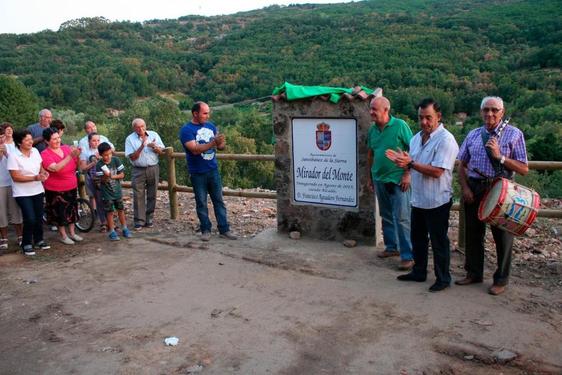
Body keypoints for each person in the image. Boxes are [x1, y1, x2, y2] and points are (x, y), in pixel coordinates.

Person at [456, 96, 528, 296]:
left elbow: (523, 168)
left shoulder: (514, 134)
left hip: (501, 190)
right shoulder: (472, 135)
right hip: (475, 187)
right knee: (473, 234)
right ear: (481, 112)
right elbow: (462, 165)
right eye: (486, 109)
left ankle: (501, 279)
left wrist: (500, 157)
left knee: (502, 237)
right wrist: (465, 188)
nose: (490, 113)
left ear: (502, 112)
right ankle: (474, 273)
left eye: (494, 110)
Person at [387, 98, 459, 292]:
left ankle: (443, 278)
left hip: (437, 200)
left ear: (439, 117)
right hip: (418, 198)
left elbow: (437, 171)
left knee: (438, 241)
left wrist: (410, 164)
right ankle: (419, 272)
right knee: (418, 238)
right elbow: (413, 161)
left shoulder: (446, 140)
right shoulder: (416, 138)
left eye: (429, 118)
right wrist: (405, 165)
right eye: (421, 118)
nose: (424, 122)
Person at [367, 96, 413, 270]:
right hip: (379, 179)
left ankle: (408, 255)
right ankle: (392, 247)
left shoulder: (400, 126)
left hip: (398, 181)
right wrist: (370, 177)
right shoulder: (372, 130)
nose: (371, 112)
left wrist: (407, 174)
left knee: (402, 218)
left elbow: (413, 151)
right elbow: (371, 154)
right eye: (370, 108)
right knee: (386, 216)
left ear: (386, 110)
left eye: (374, 109)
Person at [179, 102, 237, 241]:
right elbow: (194, 149)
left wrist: (221, 142)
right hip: (197, 172)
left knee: (219, 201)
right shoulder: (186, 130)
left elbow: (220, 147)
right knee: (201, 202)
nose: (208, 115)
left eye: (208, 112)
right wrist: (213, 143)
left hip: (213, 170)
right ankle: (206, 229)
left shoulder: (210, 126)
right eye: (205, 113)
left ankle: (224, 229)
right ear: (195, 113)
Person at [7, 130, 50, 256]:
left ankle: (39, 240)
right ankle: (26, 243)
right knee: (29, 218)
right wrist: (34, 178)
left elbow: (40, 167)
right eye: (26, 140)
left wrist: (43, 173)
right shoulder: (13, 156)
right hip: (22, 192)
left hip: (37, 190)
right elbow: (15, 177)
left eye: (31, 139)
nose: (30, 142)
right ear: (20, 142)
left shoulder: (35, 152)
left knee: (38, 216)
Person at [41, 128, 83, 245]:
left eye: (58, 138)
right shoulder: (45, 154)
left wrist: (78, 156)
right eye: (54, 139)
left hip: (71, 185)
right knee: (59, 213)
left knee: (72, 211)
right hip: (55, 189)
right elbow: (55, 168)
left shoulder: (66, 148)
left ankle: (73, 233)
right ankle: (63, 236)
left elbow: (77, 165)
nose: (58, 140)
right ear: (47, 141)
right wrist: (70, 156)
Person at [125, 118, 165, 230]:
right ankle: (139, 221)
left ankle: (149, 219)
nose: (141, 129)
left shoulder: (154, 134)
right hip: (138, 169)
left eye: (143, 126)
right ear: (134, 128)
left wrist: (155, 147)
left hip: (153, 167)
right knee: (138, 195)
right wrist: (142, 145)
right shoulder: (130, 139)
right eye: (138, 127)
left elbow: (162, 152)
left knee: (152, 194)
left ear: (146, 125)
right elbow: (132, 157)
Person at [95, 142, 131, 241]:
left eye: (110, 153)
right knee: (110, 212)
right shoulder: (99, 165)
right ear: (101, 155)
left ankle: (125, 228)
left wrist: (111, 176)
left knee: (121, 209)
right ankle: (112, 231)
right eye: (106, 155)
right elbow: (101, 180)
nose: (108, 156)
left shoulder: (116, 160)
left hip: (117, 191)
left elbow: (122, 175)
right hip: (106, 193)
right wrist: (105, 176)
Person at [0, 124, 23, 252]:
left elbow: (17, 162)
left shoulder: (14, 146)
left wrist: (6, 153)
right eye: (0, 135)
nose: (1, 138)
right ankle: (4, 238)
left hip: (13, 182)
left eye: (3, 135)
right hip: (0, 184)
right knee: (1, 212)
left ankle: (20, 235)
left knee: (15, 211)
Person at [79, 133, 107, 232]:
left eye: (98, 140)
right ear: (89, 141)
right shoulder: (85, 152)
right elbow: (82, 168)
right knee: (93, 197)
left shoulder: (103, 150)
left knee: (104, 198)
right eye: (94, 140)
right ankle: (96, 216)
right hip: (91, 178)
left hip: (103, 178)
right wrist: (93, 163)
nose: (96, 143)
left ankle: (106, 220)